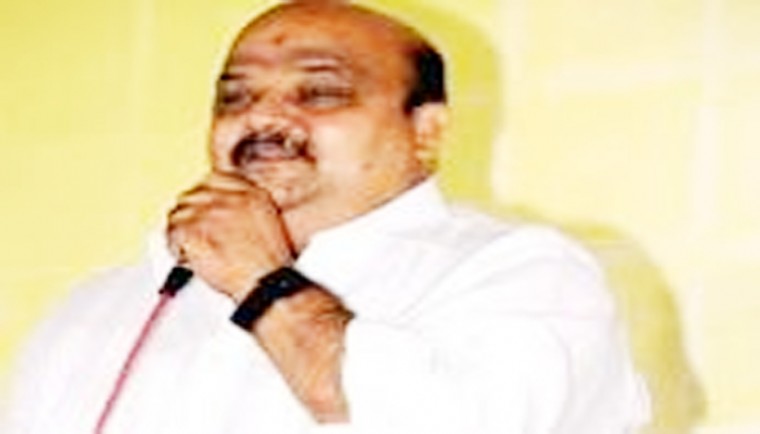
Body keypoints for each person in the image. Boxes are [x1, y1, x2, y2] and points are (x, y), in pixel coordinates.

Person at [2, 1, 650, 433]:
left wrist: (262, 282)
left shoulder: (523, 272)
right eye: (235, 96)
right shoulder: (99, 306)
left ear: (426, 130)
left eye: (320, 92)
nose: (262, 116)